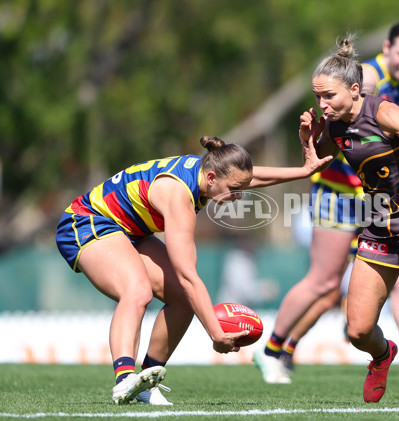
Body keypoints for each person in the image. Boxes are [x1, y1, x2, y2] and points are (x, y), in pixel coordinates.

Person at [55, 135, 331, 405]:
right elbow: (188, 275)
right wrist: (216, 334)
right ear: (212, 179)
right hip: (86, 222)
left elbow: (251, 176)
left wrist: (304, 171)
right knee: (137, 290)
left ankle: (146, 382)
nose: (239, 196)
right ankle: (125, 377)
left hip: (129, 230)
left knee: (183, 300)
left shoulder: (210, 172)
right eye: (234, 189)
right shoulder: (180, 197)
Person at [253, 22, 399, 387]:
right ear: (386, 48)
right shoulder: (367, 76)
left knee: (396, 280)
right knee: (322, 283)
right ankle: (271, 350)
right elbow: (345, 140)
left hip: (373, 197)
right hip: (339, 193)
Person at [305, 35, 399, 408]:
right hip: (378, 223)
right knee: (357, 329)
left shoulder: (385, 112)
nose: (322, 105)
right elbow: (315, 164)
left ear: (355, 89)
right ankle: (383, 354)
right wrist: (309, 138)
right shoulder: (334, 125)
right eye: (317, 98)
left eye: (329, 96)